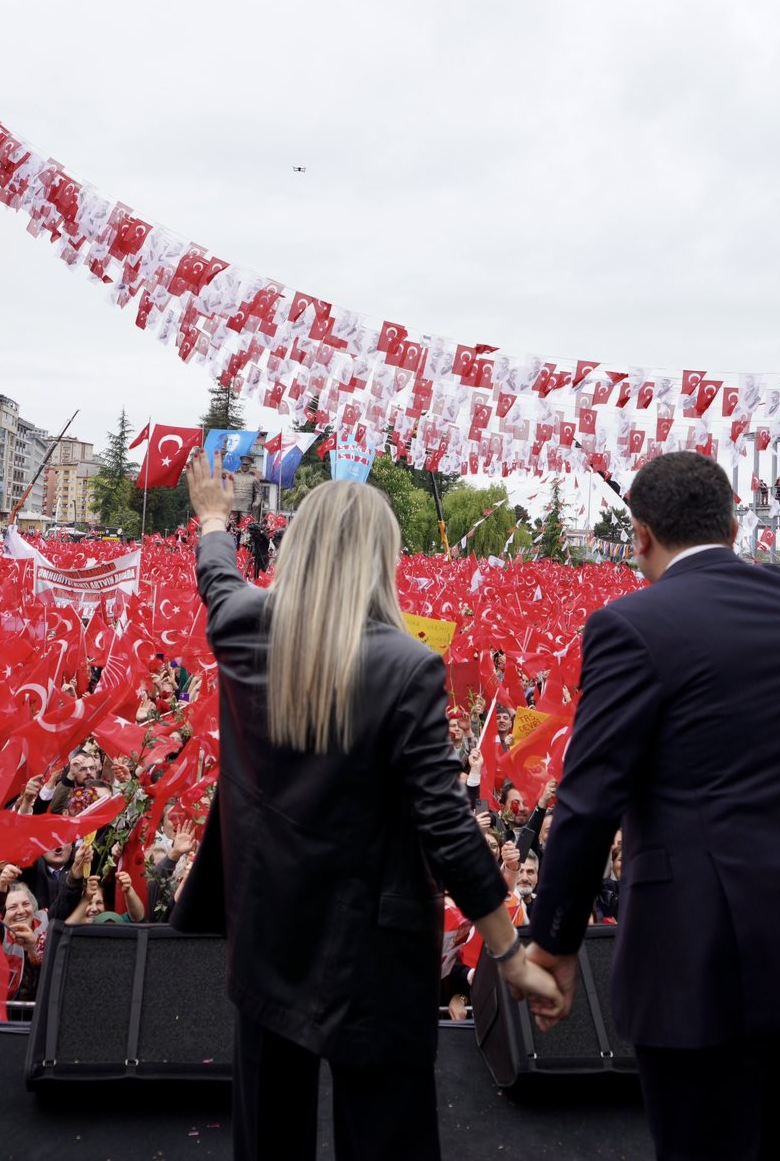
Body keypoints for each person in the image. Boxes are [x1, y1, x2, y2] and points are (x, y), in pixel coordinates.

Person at [176, 451, 558, 1161]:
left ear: (299, 547)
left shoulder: (243, 627)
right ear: (381, 559)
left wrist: (213, 521)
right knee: (387, 1140)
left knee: (268, 1139)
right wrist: (508, 952)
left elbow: (218, 579)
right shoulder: (407, 665)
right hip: (375, 950)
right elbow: (446, 827)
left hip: (268, 930)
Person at [527, 451, 780, 1160]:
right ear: (732, 526)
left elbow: (588, 803)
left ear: (640, 535)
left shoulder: (629, 624)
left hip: (709, 961)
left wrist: (554, 941)